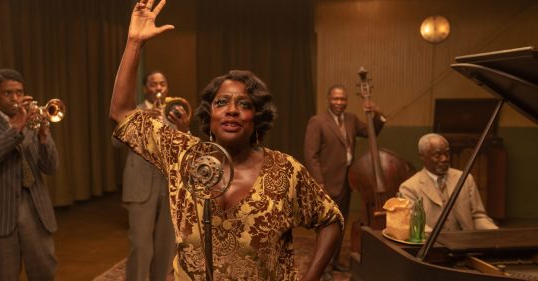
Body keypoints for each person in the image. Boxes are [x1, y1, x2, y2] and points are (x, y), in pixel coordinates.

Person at [109, 1, 344, 280]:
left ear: (256, 118)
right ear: (210, 115)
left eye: (243, 104)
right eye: (222, 102)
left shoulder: (285, 172)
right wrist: (134, 43)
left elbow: (331, 220)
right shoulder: (183, 156)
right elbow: (122, 112)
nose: (231, 109)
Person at [0, 68, 59, 280]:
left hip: (35, 208)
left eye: (19, 92)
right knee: (5, 275)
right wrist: (14, 129)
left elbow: (51, 167)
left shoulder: (33, 120)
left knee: (45, 272)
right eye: (7, 93)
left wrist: (44, 137)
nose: (15, 98)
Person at [113, 71, 190, 281]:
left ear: (167, 88)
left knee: (166, 247)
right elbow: (116, 143)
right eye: (153, 84)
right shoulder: (134, 112)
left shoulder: (177, 112)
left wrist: (185, 128)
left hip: (169, 186)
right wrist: (140, 122)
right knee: (140, 245)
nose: (158, 88)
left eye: (162, 84)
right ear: (145, 88)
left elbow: (187, 149)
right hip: (140, 185)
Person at [303, 84, 385, 271]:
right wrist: (319, 183)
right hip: (326, 184)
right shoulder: (318, 121)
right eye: (335, 99)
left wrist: (377, 113)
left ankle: (334, 262)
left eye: (343, 99)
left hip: (347, 183)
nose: (339, 102)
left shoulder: (352, 119)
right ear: (328, 99)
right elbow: (310, 155)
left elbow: (372, 132)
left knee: (340, 225)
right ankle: (323, 267)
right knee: (326, 228)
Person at [399, 133, 499, 232]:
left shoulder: (465, 179)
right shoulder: (409, 188)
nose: (445, 159)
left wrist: (496, 233)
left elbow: (478, 217)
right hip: (432, 245)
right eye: (437, 155)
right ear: (422, 156)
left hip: (465, 243)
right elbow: (416, 225)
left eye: (447, 153)